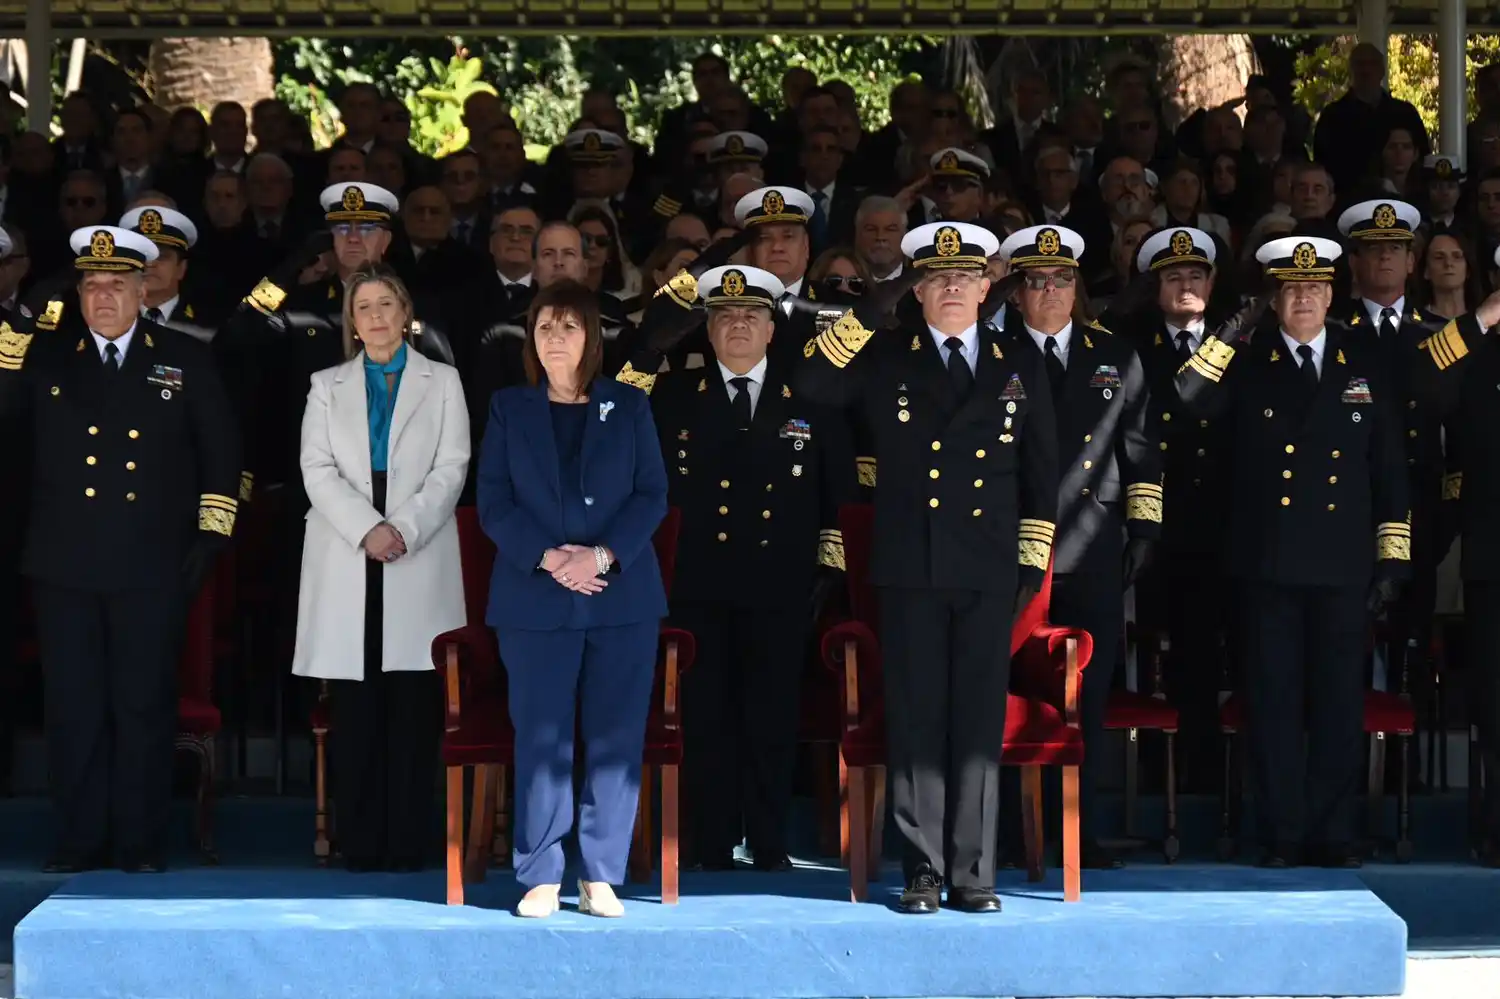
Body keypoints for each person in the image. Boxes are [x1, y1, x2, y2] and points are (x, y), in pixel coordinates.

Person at [796, 221, 1060, 913]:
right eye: (935, 278)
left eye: (963, 277)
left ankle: (974, 873)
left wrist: (1031, 557)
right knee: (916, 718)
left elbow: (1042, 469)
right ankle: (922, 870)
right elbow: (813, 381)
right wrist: (869, 309)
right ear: (917, 288)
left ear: (984, 286)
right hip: (912, 562)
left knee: (975, 720)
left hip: (985, 565)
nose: (950, 288)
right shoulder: (888, 357)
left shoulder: (1015, 359)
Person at [0, 225, 240, 872]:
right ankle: (78, 839)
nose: (103, 296)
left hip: (153, 563)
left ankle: (138, 841)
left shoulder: (184, 356)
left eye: (116, 284)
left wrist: (207, 545)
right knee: (74, 706)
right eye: (91, 284)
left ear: (143, 289)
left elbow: (223, 458)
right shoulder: (44, 357)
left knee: (142, 705)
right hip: (62, 562)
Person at [1176, 235, 1410, 868]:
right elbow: (1189, 395)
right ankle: (1278, 832)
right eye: (1291, 289)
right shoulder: (1249, 363)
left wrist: (1393, 557)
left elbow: (1389, 465)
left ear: (1333, 294)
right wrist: (1231, 327)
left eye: (1314, 287)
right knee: (1273, 703)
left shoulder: (1362, 360)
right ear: (1275, 299)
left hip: (1342, 564)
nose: (1304, 297)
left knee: (1338, 704)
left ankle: (1334, 832)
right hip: (1267, 562)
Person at [631, 264, 856, 871]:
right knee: (705, 715)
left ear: (771, 329)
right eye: (725, 316)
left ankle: (768, 838)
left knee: (771, 715)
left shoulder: (808, 394)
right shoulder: (676, 397)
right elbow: (622, 403)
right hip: (697, 583)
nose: (738, 324)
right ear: (705, 331)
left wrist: (828, 570)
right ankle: (708, 841)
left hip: (780, 584)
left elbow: (837, 495)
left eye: (752, 315)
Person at [477, 279, 668, 919]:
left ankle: (600, 874)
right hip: (534, 597)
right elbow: (494, 501)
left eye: (568, 326)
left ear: (593, 337)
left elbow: (651, 495)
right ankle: (539, 873)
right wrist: (551, 557)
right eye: (544, 327)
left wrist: (602, 555)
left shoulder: (631, 406)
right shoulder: (509, 408)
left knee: (615, 734)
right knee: (541, 734)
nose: (554, 338)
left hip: (622, 597)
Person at [292, 264, 470, 872]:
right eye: (362, 306)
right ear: (351, 319)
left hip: (416, 548)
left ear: (405, 311)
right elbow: (315, 469)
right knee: (358, 707)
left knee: (413, 705)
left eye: (385, 303)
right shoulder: (325, 383)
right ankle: (362, 844)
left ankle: (411, 844)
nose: (374, 316)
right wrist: (367, 528)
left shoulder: (443, 381)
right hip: (348, 549)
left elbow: (452, 468)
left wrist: (403, 528)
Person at [997, 223, 1159, 866]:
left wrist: (1144, 528)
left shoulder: (1114, 353)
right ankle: (1009, 833)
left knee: (1085, 698)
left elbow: (1142, 450)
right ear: (1017, 292)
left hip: (1092, 550)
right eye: (1037, 281)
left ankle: (1076, 832)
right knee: (1008, 695)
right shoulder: (993, 351)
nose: (1050, 291)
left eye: (1062, 280)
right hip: (1010, 554)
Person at [1120, 227, 1233, 792]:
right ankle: (1153, 772)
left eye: (1195, 275)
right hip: (1157, 523)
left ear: (1211, 283)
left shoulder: (1242, 341)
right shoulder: (1132, 344)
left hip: (1224, 523)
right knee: (1159, 653)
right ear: (1156, 287)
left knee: (1217, 653)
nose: (1185, 285)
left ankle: (1214, 773)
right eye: (1173, 277)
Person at [1413, 270, 1500, 866]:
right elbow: (1419, 382)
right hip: (1494, 557)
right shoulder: (1476, 350)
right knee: (1496, 705)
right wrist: (1482, 320)